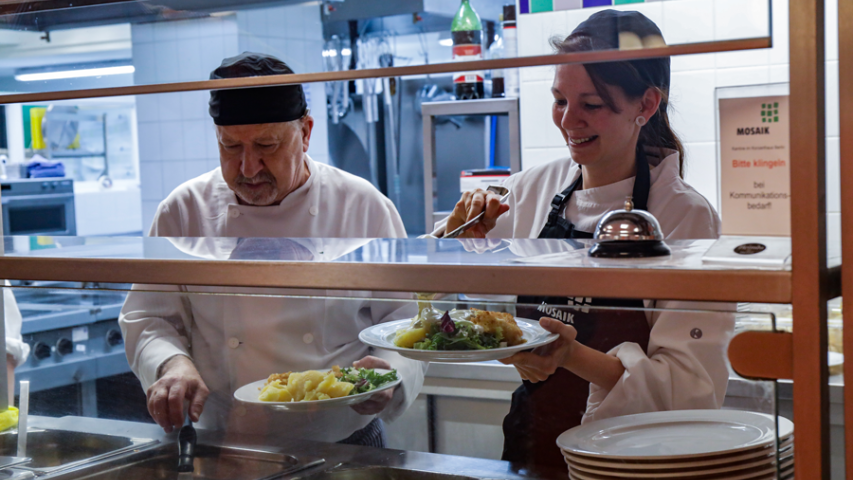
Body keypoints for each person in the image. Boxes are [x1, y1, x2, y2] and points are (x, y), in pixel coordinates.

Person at [438, 10, 734, 472]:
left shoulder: (684, 216)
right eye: (560, 100)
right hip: (532, 445)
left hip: (631, 460)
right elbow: (438, 282)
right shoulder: (532, 189)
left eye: (591, 104)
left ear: (647, 105)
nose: (568, 121)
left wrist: (568, 356)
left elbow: (688, 388)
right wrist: (458, 237)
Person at [119, 52, 424, 446]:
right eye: (231, 147)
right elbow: (147, 317)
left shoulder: (362, 206)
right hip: (223, 442)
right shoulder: (184, 209)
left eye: (266, 145)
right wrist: (172, 363)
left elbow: (408, 321)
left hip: (343, 441)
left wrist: (390, 375)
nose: (248, 168)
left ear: (306, 132)